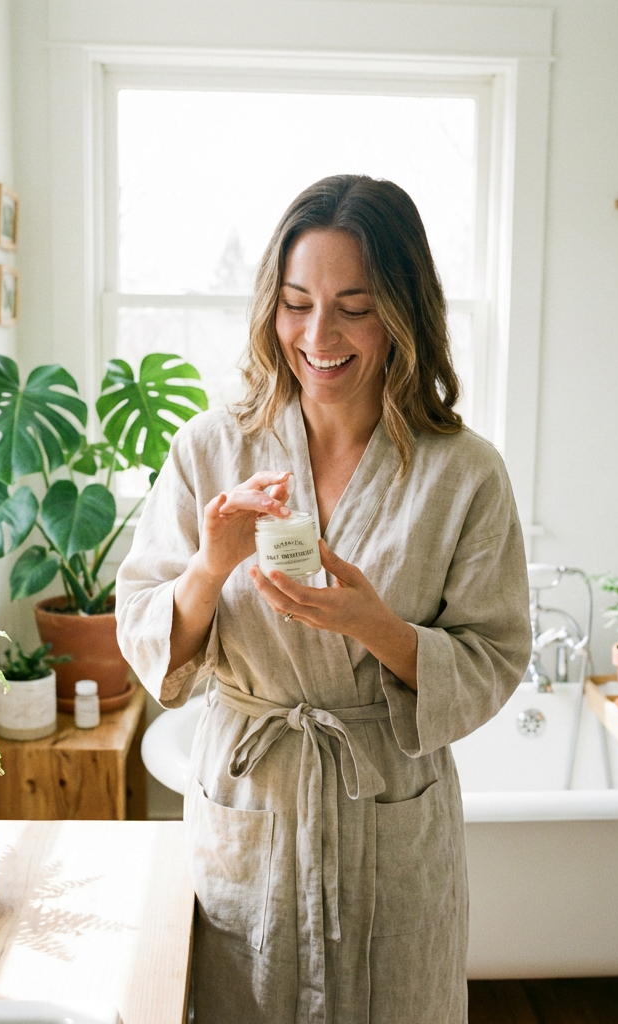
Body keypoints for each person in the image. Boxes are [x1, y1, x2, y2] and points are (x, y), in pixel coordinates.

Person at [116, 175, 531, 1024]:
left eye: (355, 306)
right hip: (253, 806)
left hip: (390, 815)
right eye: (297, 302)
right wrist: (210, 564)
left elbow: (495, 656)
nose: (319, 335)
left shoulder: (464, 472)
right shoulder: (211, 447)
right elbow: (144, 627)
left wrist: (379, 629)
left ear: (405, 313)